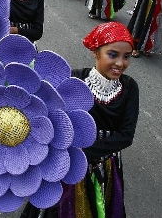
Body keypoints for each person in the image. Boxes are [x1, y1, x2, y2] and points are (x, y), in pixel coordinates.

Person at [21, 21, 139, 218]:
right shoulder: (75, 80)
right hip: (68, 162)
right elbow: (52, 117)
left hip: (105, 165)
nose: (120, 63)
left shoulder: (129, 88)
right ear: (96, 52)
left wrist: (84, 153)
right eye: (113, 55)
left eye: (126, 57)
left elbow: (126, 136)